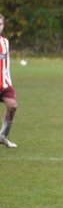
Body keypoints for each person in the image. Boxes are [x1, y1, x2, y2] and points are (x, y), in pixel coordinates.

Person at [0, 14, 18, 148]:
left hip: (4, 83)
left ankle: (3, 136)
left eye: (0, 24)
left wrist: (9, 81)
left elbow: (7, 63)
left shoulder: (5, 42)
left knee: (12, 106)